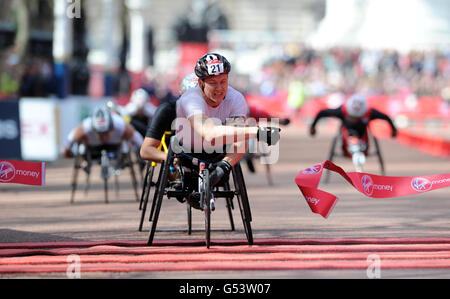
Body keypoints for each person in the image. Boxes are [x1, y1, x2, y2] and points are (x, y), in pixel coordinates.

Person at [175, 52, 280, 203]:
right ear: (201, 83)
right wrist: (257, 131)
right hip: (188, 151)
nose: (219, 88)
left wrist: (224, 166)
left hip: (219, 151)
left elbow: (238, 137)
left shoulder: (235, 98)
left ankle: (219, 172)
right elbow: (209, 132)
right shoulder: (191, 98)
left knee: (237, 140)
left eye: (223, 81)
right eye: (212, 82)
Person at [309, 93, 397, 157]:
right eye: (352, 116)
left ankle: (360, 146)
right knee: (347, 132)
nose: (354, 119)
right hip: (346, 135)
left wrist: (393, 130)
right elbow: (322, 113)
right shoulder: (342, 110)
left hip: (363, 135)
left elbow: (386, 117)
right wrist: (313, 126)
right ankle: (350, 145)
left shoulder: (370, 112)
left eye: (357, 117)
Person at [140, 73, 199, 163]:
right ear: (181, 96)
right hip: (172, 151)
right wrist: (171, 159)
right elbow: (145, 150)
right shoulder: (167, 110)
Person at [62, 106, 144, 159]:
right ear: (94, 130)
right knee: (82, 145)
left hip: (116, 146)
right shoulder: (86, 126)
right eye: (100, 134)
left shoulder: (119, 124)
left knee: (127, 141)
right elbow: (70, 140)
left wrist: (142, 150)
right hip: (93, 148)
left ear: (112, 128)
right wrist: (67, 152)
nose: (104, 137)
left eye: (106, 133)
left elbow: (137, 138)